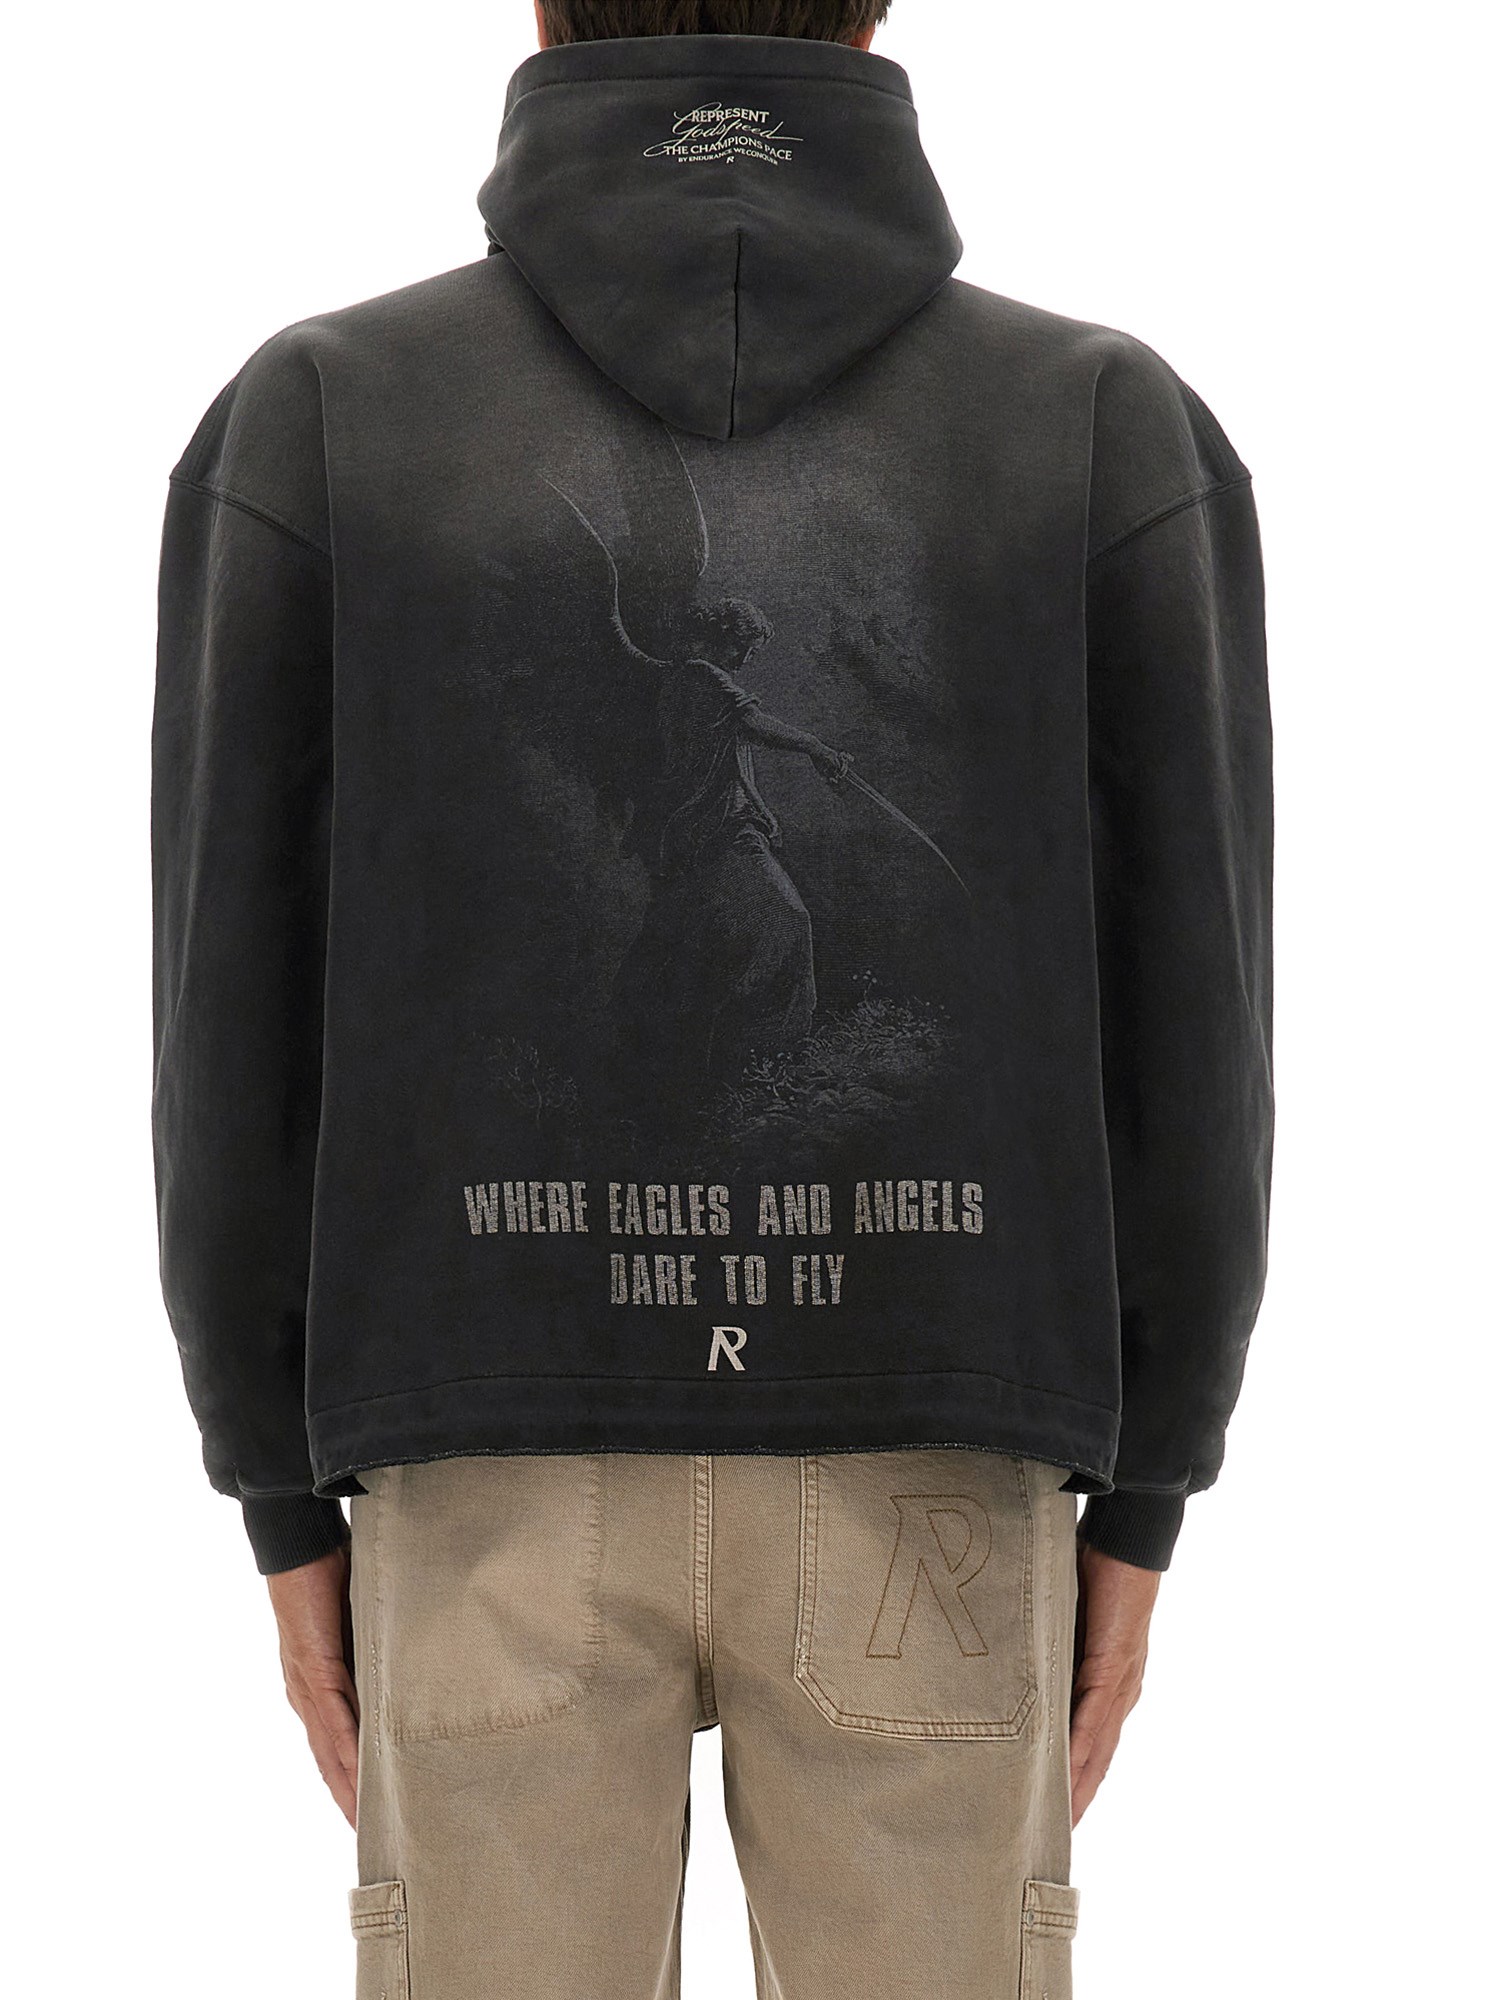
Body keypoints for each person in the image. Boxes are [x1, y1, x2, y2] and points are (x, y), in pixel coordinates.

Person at [151, 2, 1273, 1994]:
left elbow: (227, 1011)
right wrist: (1151, 1480)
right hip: (939, 1438)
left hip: (482, 1454)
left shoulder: (320, 415)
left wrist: (276, 1486)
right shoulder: (1105, 424)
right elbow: (1198, 1017)